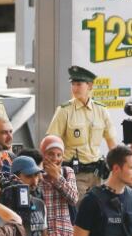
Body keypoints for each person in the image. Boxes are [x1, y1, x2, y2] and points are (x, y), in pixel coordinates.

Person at [47, 66, 116, 195]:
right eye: (73, 84)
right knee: (79, 211)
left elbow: (112, 144)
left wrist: (116, 168)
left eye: (79, 84)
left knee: (99, 212)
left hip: (97, 174)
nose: (74, 88)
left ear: (90, 86)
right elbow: (51, 142)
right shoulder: (64, 110)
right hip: (74, 175)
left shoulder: (101, 110)